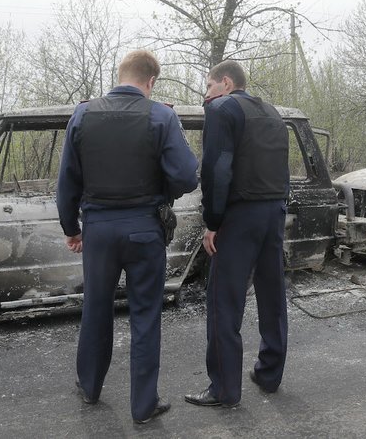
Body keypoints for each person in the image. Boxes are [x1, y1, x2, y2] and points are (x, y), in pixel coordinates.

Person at [56, 49, 199, 424]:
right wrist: (162, 190)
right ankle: (143, 405)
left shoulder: (83, 114)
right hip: (144, 229)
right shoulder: (161, 115)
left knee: (96, 308)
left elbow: (67, 181)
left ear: (119, 75)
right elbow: (186, 176)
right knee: (146, 315)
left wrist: (72, 229)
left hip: (99, 230)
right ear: (151, 82)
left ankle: (89, 387)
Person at [185, 60, 290, 408]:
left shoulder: (222, 108)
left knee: (223, 301)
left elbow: (217, 169)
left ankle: (224, 389)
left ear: (225, 83)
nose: (206, 95)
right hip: (274, 213)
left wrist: (212, 222)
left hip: (240, 217)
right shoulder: (273, 113)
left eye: (208, 87)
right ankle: (268, 374)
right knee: (272, 294)